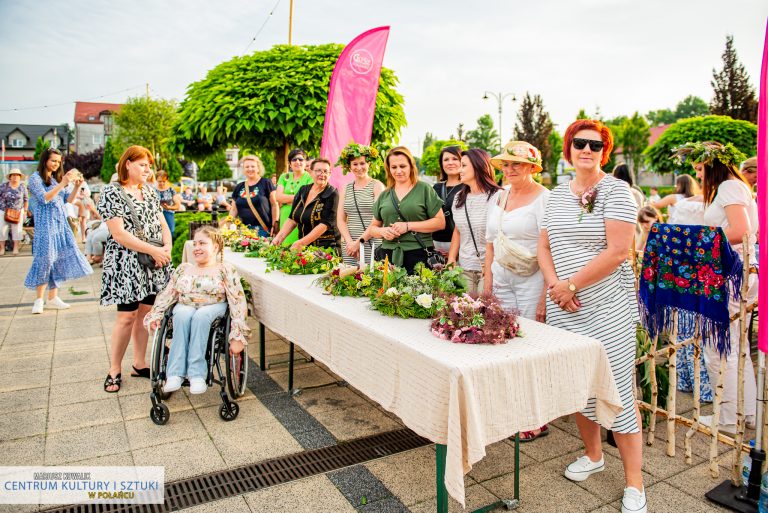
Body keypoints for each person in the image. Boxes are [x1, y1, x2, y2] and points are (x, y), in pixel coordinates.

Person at [539, 120, 645, 513]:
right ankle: (594, 455)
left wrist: (573, 285)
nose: (587, 150)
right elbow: (544, 246)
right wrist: (555, 287)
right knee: (579, 384)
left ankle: (635, 482)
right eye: (579, 143)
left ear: (605, 152)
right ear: (568, 149)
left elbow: (619, 250)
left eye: (595, 146)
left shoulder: (617, 191)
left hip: (605, 307)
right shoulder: (555, 195)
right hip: (564, 305)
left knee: (616, 389)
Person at [673, 142, 759, 434]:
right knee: (738, 347)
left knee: (719, 349)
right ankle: (746, 414)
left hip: (728, 274)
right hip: (736, 272)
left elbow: (740, 231)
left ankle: (727, 419)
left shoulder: (728, 188)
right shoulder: (735, 187)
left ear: (712, 165)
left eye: (699, 169)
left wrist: (698, 239)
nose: (698, 176)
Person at [98, 145, 172, 393]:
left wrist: (167, 248)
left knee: (145, 314)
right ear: (127, 164)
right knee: (126, 316)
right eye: (142, 164)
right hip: (126, 264)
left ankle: (139, 363)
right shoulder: (112, 192)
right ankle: (114, 369)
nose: (147, 170)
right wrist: (155, 251)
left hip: (153, 262)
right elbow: (118, 234)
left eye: (149, 165)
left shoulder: (149, 192)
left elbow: (162, 223)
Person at [146, 226, 249, 394]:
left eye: (202, 243)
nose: (197, 248)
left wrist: (238, 334)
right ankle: (174, 374)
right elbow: (168, 294)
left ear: (215, 247)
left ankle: (197, 375)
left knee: (200, 316)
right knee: (181, 314)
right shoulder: (184, 268)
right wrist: (156, 314)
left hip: (213, 307)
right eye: (195, 244)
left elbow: (237, 300)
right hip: (185, 306)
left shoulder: (225, 269)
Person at [24, 148, 92, 314]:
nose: (56, 164)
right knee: (45, 260)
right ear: (45, 160)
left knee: (59, 260)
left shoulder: (56, 179)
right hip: (45, 226)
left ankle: (52, 297)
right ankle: (39, 299)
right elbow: (44, 198)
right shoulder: (35, 178)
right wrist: (63, 184)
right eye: (53, 160)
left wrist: (76, 186)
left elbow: (68, 200)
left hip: (60, 225)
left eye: (58, 161)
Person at [367, 146, 445, 274]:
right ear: (389, 169)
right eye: (394, 167)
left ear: (411, 166)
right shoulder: (385, 194)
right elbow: (372, 229)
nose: (398, 171)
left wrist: (408, 226)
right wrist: (383, 231)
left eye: (402, 166)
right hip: (387, 256)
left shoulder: (424, 189)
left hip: (419, 256)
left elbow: (440, 222)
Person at [446, 149, 500, 294]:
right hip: (464, 268)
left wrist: (489, 269)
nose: (459, 170)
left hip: (491, 269)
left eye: (463, 166)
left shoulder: (498, 197)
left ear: (478, 166)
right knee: (464, 312)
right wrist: (451, 258)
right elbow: (458, 230)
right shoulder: (459, 198)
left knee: (485, 312)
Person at [271, 159, 341, 253]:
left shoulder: (332, 194)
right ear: (311, 172)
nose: (322, 174)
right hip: (304, 248)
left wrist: (301, 243)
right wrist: (278, 238)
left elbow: (325, 224)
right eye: (318, 170)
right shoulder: (303, 190)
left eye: (325, 171)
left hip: (326, 249)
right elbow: (292, 218)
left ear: (329, 174)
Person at [336, 143, 385, 266]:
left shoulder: (377, 186)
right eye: (355, 164)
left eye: (362, 163)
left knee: (371, 278)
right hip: (349, 245)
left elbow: (378, 220)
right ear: (349, 166)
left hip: (371, 242)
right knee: (349, 280)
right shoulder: (346, 188)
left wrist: (358, 243)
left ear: (369, 163)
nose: (359, 167)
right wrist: (350, 243)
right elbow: (340, 220)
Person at [230, 155, 279, 237]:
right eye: (247, 167)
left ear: (258, 168)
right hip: (243, 230)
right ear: (243, 170)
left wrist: (275, 225)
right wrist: (230, 225)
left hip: (263, 230)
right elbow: (234, 210)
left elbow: (274, 205)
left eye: (253, 166)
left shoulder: (266, 182)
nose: (250, 169)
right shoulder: (239, 187)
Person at [276, 148, 313, 246]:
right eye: (294, 159)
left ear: (305, 162)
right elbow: (278, 197)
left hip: (301, 216)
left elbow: (306, 198)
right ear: (289, 163)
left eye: (301, 159)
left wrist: (286, 199)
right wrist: (298, 198)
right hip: (285, 217)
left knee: (298, 248)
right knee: (284, 246)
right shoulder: (284, 177)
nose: (297, 162)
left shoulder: (310, 178)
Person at [432, 146, 463, 255]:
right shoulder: (436, 188)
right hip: (436, 246)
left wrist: (455, 252)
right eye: (446, 160)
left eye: (455, 159)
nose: (450, 162)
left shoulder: (468, 188)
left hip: (461, 247)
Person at [0, 169, 29, 256]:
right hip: (3, 210)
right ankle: (2, 249)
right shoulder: (3, 186)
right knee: (2, 230)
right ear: (10, 177)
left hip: (18, 211)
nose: (15, 177)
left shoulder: (22, 187)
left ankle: (16, 248)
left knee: (17, 230)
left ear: (20, 177)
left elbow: (26, 200)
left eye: (17, 175)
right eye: (13, 175)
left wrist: (25, 211)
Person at [155, 171, 181, 236]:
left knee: (171, 231)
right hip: (156, 214)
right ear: (156, 180)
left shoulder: (171, 190)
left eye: (164, 181)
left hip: (168, 213)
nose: (162, 183)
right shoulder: (152, 190)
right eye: (159, 181)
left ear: (167, 180)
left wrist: (169, 207)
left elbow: (177, 205)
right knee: (157, 233)